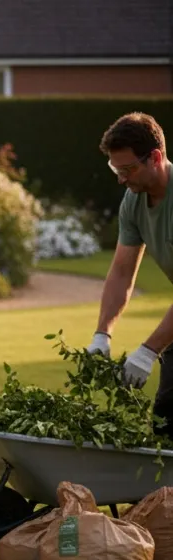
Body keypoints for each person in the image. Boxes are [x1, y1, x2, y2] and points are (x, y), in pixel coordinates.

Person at [88, 112, 173, 430]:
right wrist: (102, 332)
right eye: (115, 170)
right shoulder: (133, 202)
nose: (121, 178)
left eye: (128, 169)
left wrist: (149, 350)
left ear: (155, 157)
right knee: (166, 421)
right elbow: (122, 272)